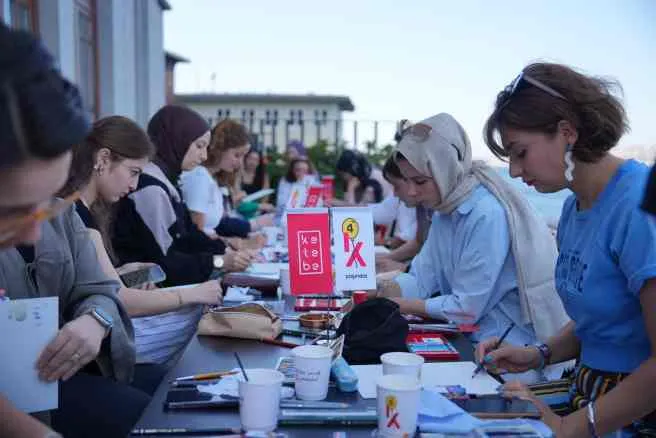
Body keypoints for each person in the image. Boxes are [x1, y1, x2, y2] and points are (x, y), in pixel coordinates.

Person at [475, 63, 656, 436]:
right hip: (586, 389)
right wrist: (537, 354)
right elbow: (606, 318)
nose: (512, 170)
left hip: (631, 412)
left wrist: (569, 428)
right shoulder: (575, 208)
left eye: (520, 152)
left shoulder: (638, 208)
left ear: (567, 133)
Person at [0, 24, 151, 438]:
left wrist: (96, 320)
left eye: (47, 201)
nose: (34, 233)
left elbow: (100, 290)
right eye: (10, 211)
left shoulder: (59, 210)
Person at [376, 113, 569, 383]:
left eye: (419, 182)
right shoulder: (445, 210)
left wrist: (394, 302)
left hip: (508, 357)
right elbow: (422, 278)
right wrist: (378, 290)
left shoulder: (485, 213)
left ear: (446, 169)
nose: (410, 193)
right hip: (471, 342)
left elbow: (465, 307)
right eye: (406, 181)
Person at [58, 115, 224, 366]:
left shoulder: (82, 210)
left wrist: (120, 273)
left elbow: (88, 283)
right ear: (103, 160)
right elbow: (120, 298)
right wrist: (193, 293)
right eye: (133, 172)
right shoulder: (77, 214)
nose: (134, 185)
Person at [112, 105, 252, 287]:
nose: (203, 156)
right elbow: (164, 265)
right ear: (176, 140)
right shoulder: (150, 188)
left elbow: (185, 234)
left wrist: (225, 251)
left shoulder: (165, 180)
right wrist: (220, 261)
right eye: (199, 146)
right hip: (142, 292)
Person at [180, 119, 271, 246]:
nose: (240, 163)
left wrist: (235, 243)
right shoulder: (199, 176)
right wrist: (241, 244)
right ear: (220, 149)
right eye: (237, 155)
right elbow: (196, 237)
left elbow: (210, 230)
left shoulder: (211, 178)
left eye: (243, 156)